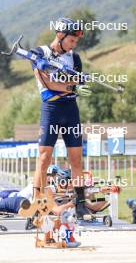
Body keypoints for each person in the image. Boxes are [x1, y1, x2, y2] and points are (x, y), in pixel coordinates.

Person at [31, 17, 92, 219]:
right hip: (51, 108)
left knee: (76, 159)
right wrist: (72, 86)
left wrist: (72, 84)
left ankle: (81, 204)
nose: (74, 45)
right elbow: (47, 82)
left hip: (70, 110)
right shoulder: (39, 53)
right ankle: (37, 206)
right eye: (71, 40)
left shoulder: (75, 59)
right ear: (60, 35)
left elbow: (75, 81)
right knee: (44, 159)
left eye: (76, 41)